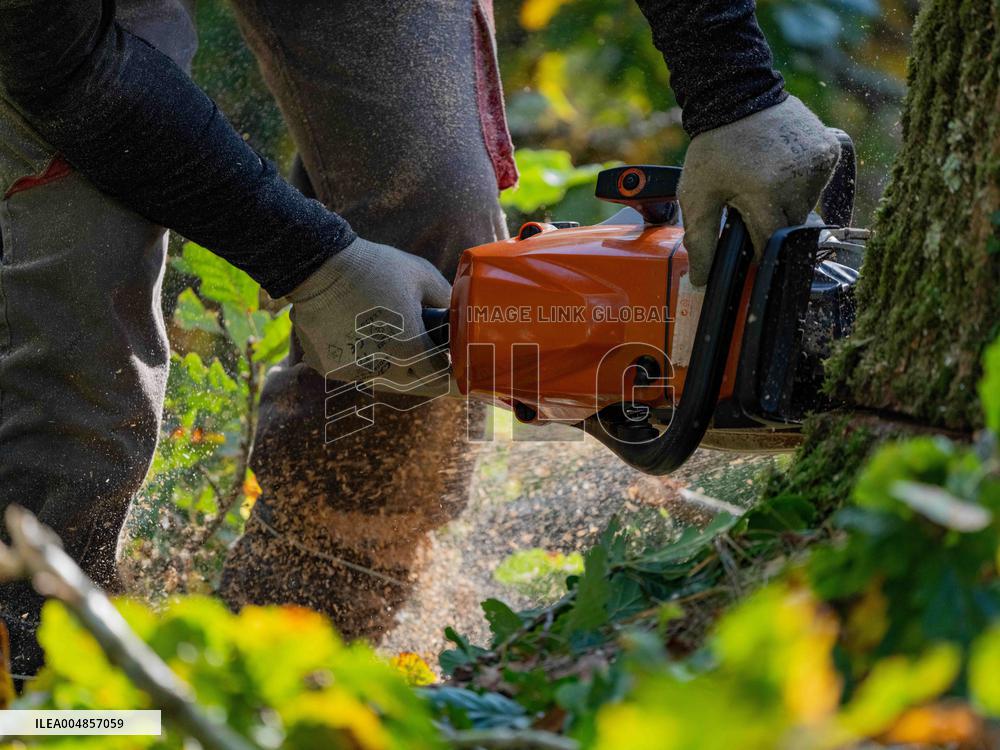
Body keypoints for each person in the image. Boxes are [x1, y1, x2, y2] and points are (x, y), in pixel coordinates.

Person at [0, 0, 840, 677]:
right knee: (76, 370)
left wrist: (735, 92)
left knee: (446, 251)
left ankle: (293, 665)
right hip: (51, 29)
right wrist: (314, 265)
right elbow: (57, 61)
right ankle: (53, 709)